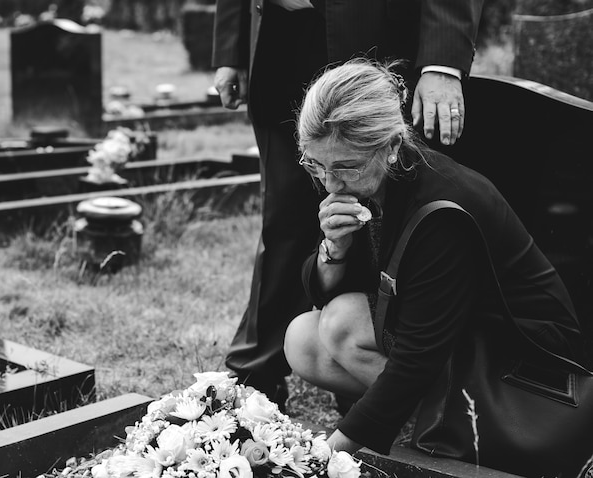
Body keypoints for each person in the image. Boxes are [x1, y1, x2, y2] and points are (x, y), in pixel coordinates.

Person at [283, 59, 590, 475]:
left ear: (391, 146)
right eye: (317, 165)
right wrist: (334, 248)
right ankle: (424, 422)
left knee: (342, 324)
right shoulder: (365, 179)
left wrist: (325, 459)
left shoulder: (442, 210)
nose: (330, 183)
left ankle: (450, 426)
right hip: (453, 333)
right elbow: (324, 293)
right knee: (303, 337)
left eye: (344, 167)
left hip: (522, 357)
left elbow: (418, 355)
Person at [211, 0, 485, 410]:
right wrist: (231, 48)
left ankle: (379, 372)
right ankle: (258, 369)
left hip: (378, 29)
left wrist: (442, 61)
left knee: (384, 207)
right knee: (284, 214)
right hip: (281, 35)